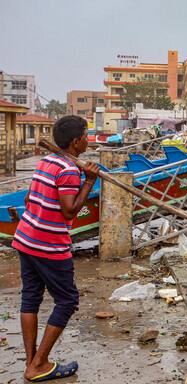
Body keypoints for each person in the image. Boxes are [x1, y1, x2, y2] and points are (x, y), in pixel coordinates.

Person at [12, 115, 100, 382]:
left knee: (31, 298)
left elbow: (29, 198)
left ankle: (33, 363)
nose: (88, 139)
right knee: (67, 300)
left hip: (26, 238)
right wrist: (89, 181)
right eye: (85, 135)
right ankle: (38, 364)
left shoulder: (47, 162)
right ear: (76, 142)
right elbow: (69, 210)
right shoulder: (69, 170)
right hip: (48, 245)